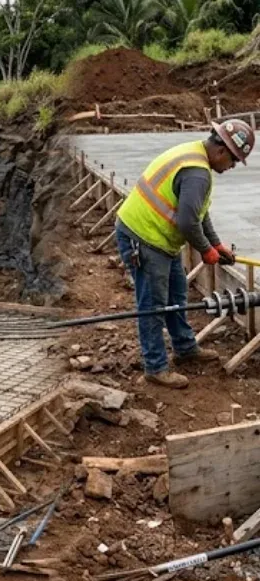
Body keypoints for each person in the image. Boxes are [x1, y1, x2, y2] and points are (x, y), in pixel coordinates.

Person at [115, 119, 255, 389]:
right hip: (143, 238)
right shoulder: (197, 173)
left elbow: (198, 212)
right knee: (153, 306)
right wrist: (206, 251)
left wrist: (215, 244)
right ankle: (155, 367)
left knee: (177, 295)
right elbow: (188, 223)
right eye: (234, 160)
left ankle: (185, 348)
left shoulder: (195, 156)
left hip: (159, 240)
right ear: (221, 151)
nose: (232, 167)